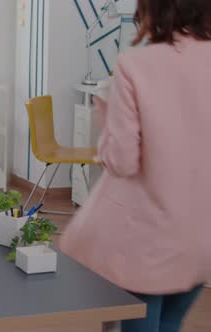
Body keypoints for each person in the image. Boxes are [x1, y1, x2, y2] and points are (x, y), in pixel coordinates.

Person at [60, 1, 211, 331]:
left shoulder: (136, 65)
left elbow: (122, 161)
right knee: (169, 323)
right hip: (200, 239)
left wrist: (106, 114)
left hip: (149, 242)